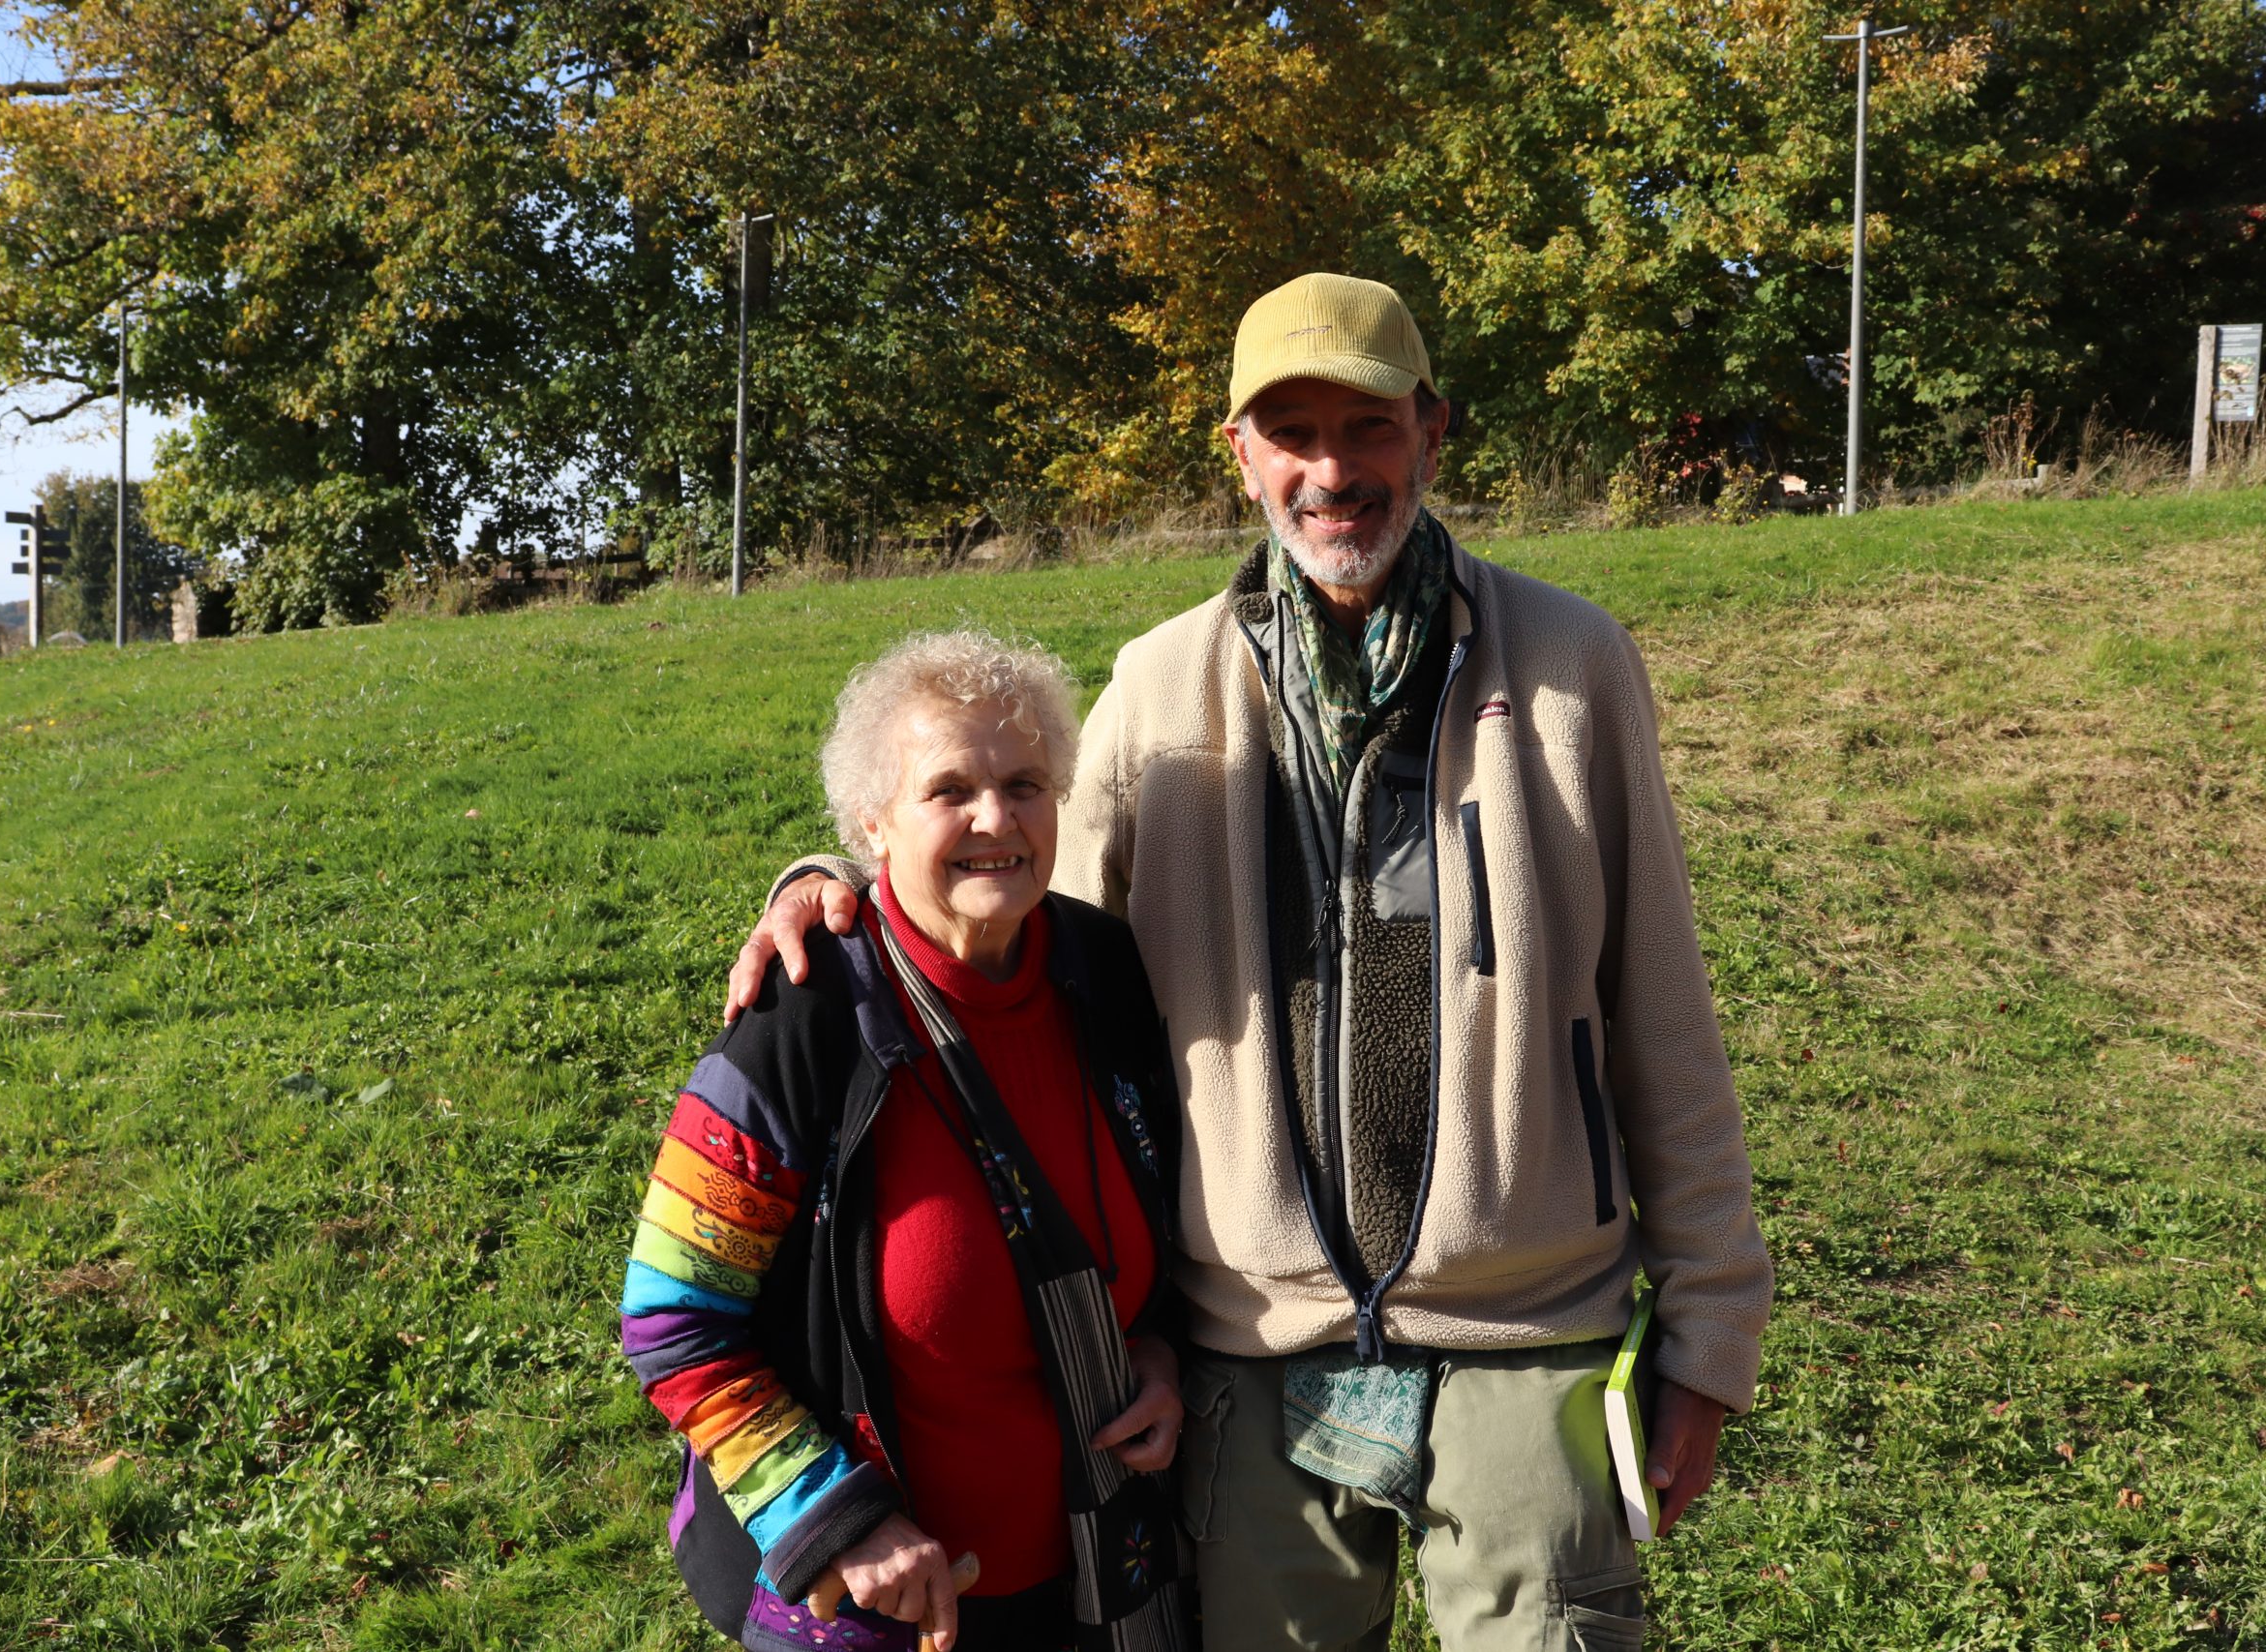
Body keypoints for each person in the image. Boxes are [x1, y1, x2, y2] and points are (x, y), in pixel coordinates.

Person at [734, 274, 1774, 1651]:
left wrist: (1709, 1327)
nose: (1332, 471)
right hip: (1249, 1350)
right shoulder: (1160, 688)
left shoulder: (1574, 666)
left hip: (1527, 1327)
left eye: (1369, 425)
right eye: (1293, 432)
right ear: (1239, 454)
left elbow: (1662, 1009)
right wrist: (836, 888)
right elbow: (1023, 930)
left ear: (1432, 432)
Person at [623, 630, 1193, 1652]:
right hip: (882, 1604)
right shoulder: (804, 1009)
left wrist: (1155, 1351)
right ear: (871, 822)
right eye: (949, 791)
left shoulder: (1101, 971)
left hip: (1095, 1580)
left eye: (1025, 784)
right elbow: (673, 1318)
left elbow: (1148, 1211)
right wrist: (837, 1520)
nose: (995, 820)